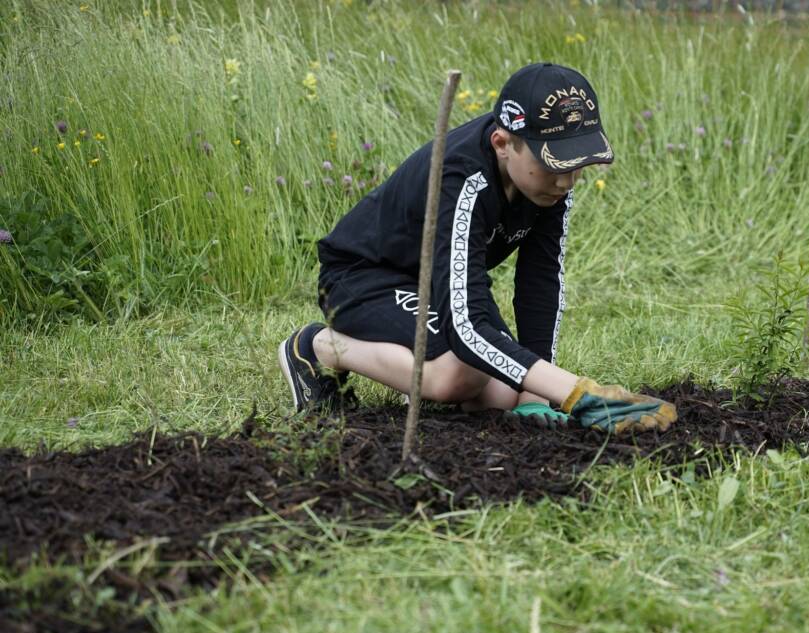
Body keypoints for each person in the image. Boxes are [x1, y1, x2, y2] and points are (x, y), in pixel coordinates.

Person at [278, 62, 676, 434]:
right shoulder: (463, 178)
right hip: (360, 278)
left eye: (576, 166)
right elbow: (468, 331)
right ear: (503, 143)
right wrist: (577, 392)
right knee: (459, 376)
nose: (566, 181)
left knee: (503, 395)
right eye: (555, 165)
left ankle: (412, 361)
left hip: (433, 283)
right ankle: (318, 347)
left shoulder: (548, 188)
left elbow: (539, 284)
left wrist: (536, 397)